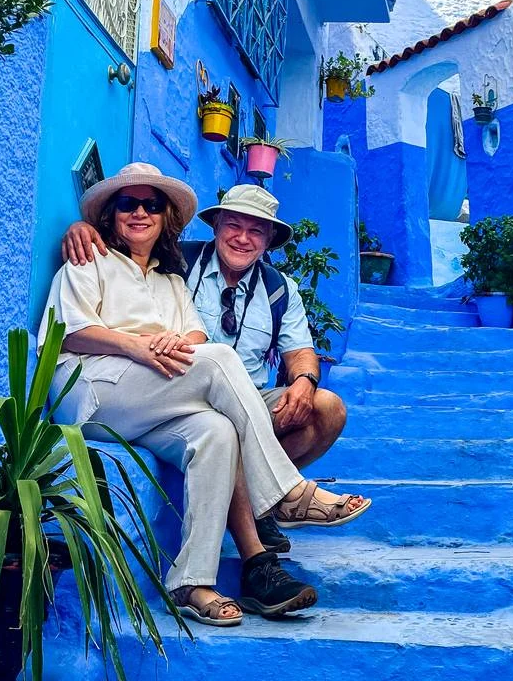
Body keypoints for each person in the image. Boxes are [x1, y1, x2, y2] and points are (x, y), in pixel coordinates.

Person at [39, 163, 370, 627]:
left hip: (159, 397)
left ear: (166, 217)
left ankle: (191, 582)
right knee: (218, 360)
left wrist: (176, 344)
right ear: (110, 214)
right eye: (128, 204)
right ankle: (286, 493)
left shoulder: (171, 278)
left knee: (217, 432)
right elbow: (68, 331)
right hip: (93, 391)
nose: (140, 213)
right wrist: (137, 344)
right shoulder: (91, 259)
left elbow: (194, 336)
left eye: (152, 205)